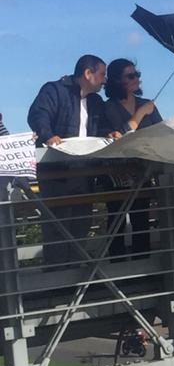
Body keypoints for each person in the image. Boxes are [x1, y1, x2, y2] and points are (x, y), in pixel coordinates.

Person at [27, 54, 116, 265]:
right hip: (57, 173)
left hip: (84, 173)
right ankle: (58, 280)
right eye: (102, 74)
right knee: (57, 224)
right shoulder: (54, 90)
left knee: (81, 222)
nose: (105, 80)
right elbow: (38, 115)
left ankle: (75, 274)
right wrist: (48, 136)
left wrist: (109, 134)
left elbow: (100, 127)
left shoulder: (95, 102)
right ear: (88, 73)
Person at [102, 59, 164, 257]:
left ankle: (143, 266)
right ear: (117, 81)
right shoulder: (107, 108)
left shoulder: (147, 104)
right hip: (115, 176)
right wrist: (139, 115)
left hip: (143, 173)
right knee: (116, 222)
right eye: (130, 76)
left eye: (136, 74)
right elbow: (115, 136)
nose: (136, 78)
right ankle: (118, 268)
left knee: (141, 221)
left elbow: (162, 133)